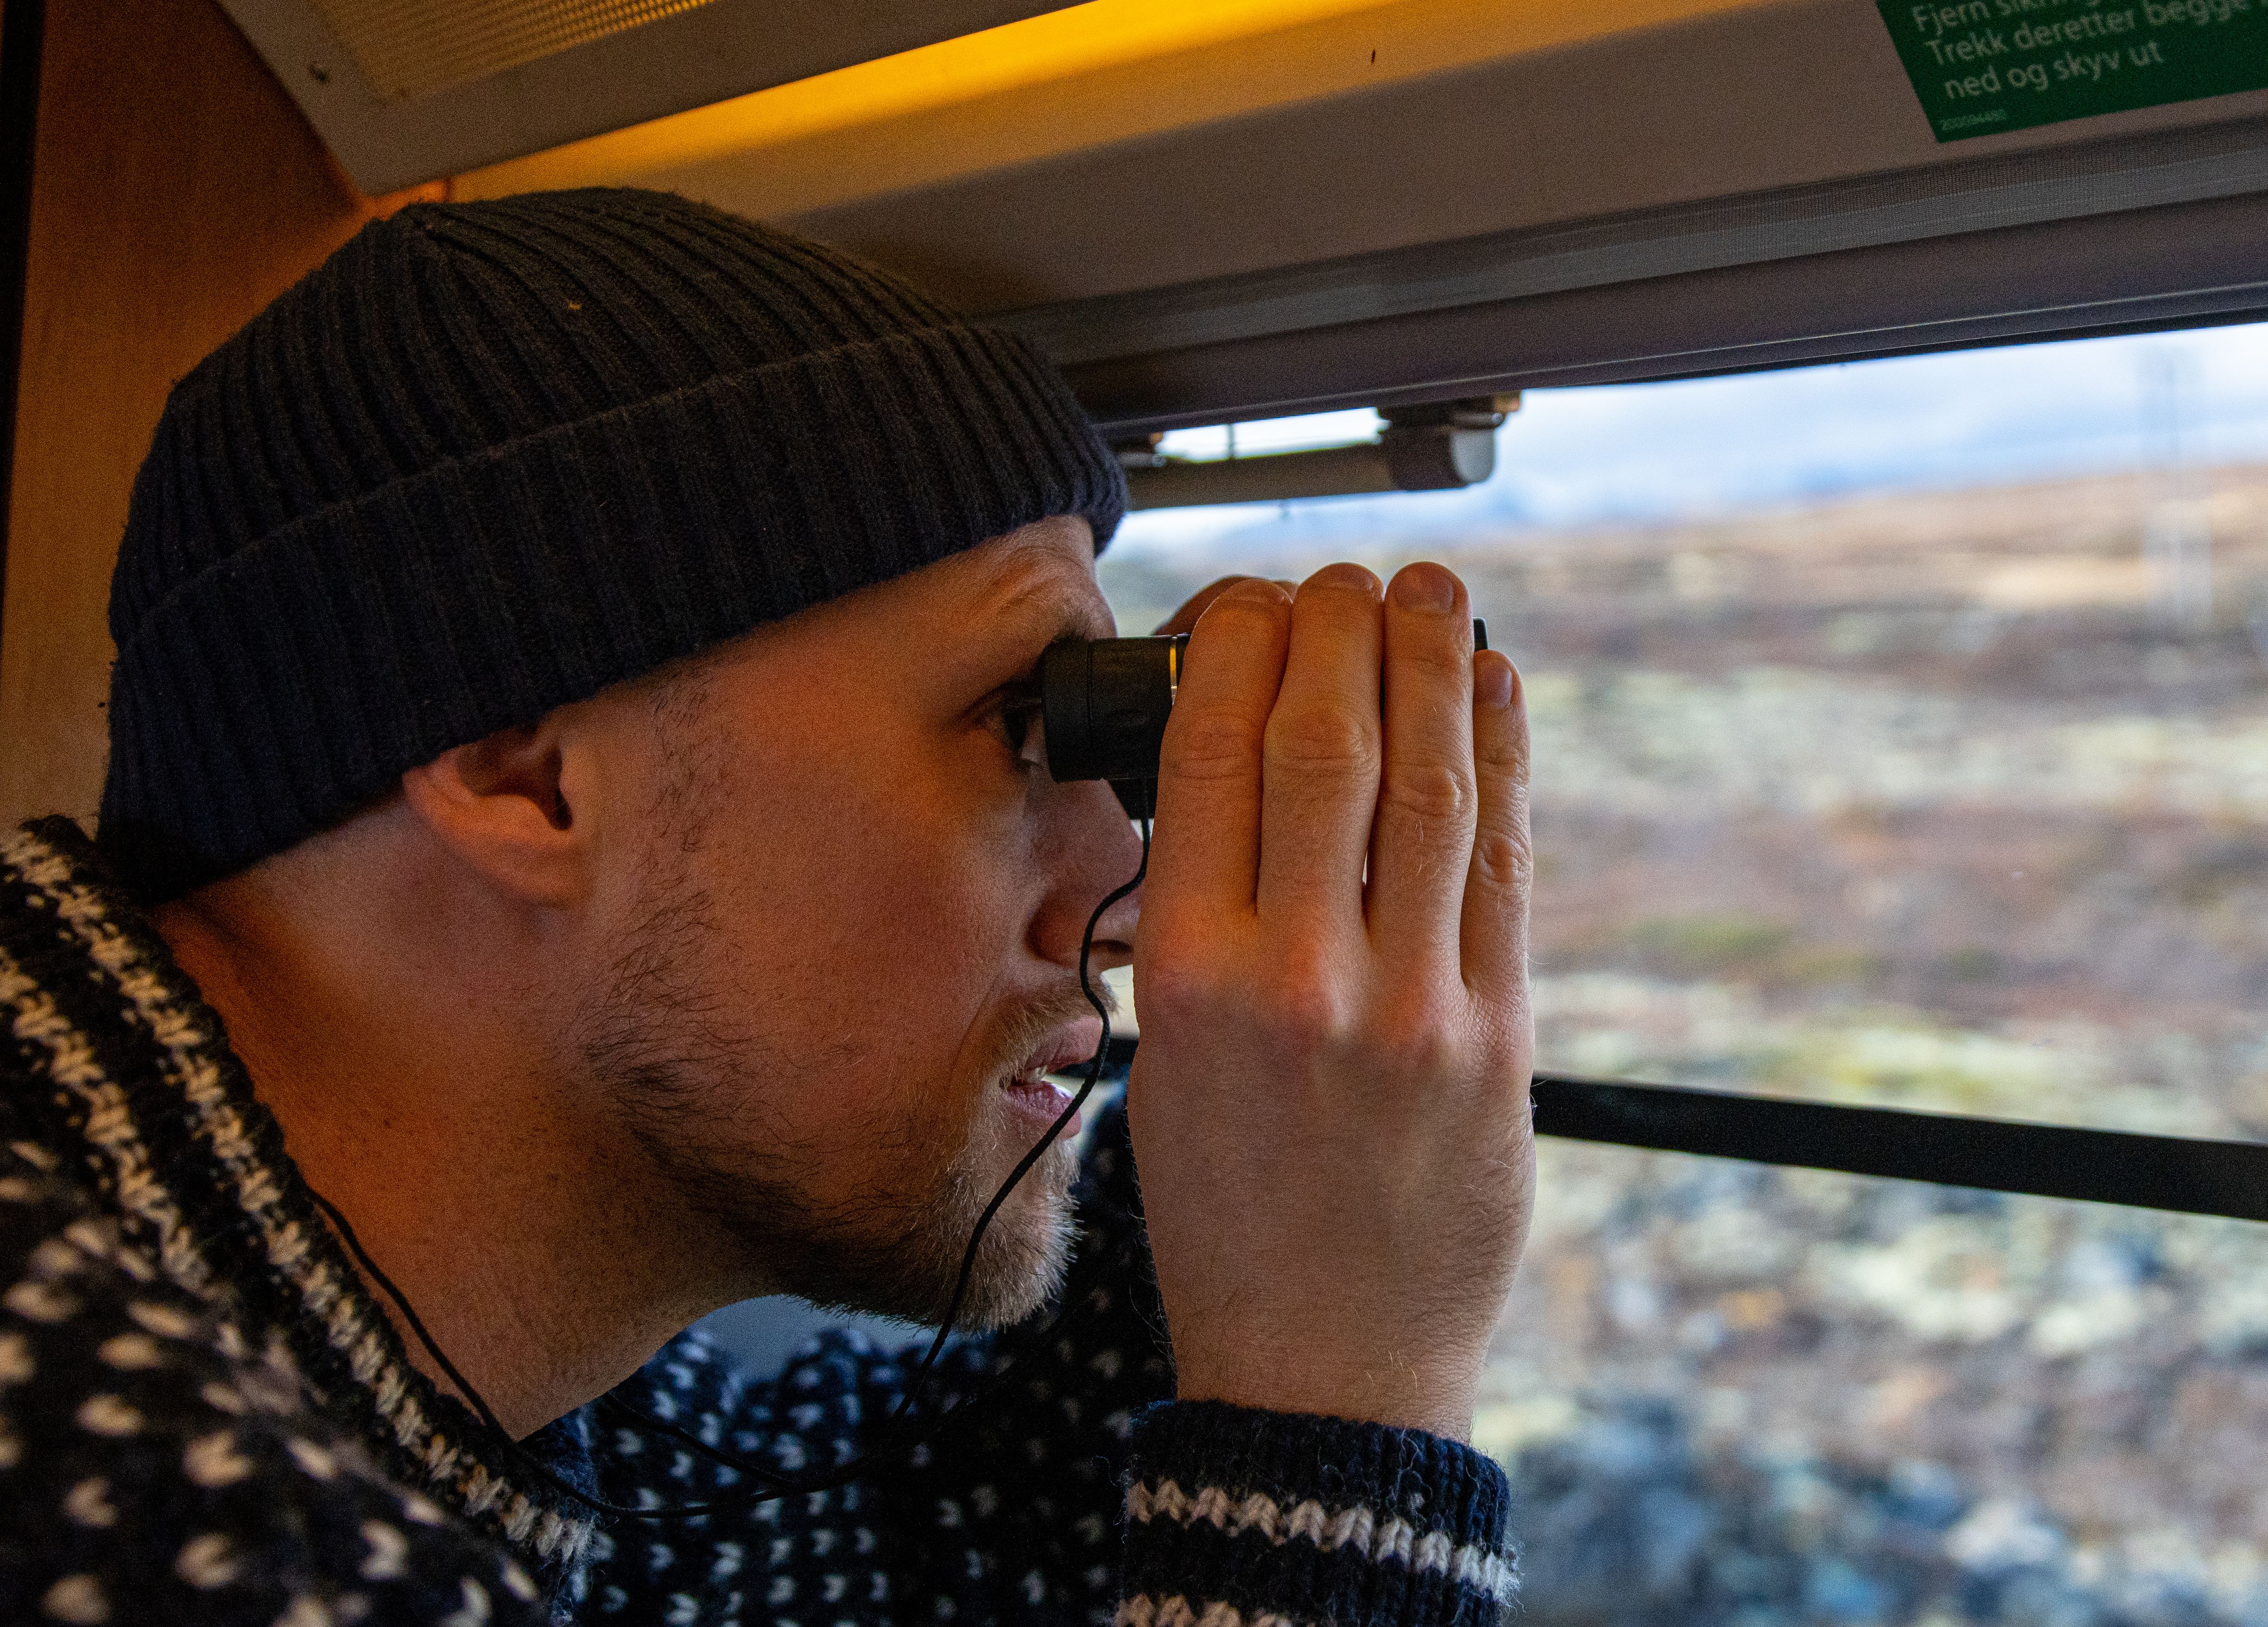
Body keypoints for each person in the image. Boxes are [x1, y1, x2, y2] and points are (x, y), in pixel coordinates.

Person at [0, 188, 1535, 1626]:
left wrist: (1276, 1108)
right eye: (1019, 726)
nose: (1123, 905)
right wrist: (1345, 1406)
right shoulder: (131, 1497)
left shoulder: (457, 1368)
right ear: (522, 779)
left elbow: (926, 1537)